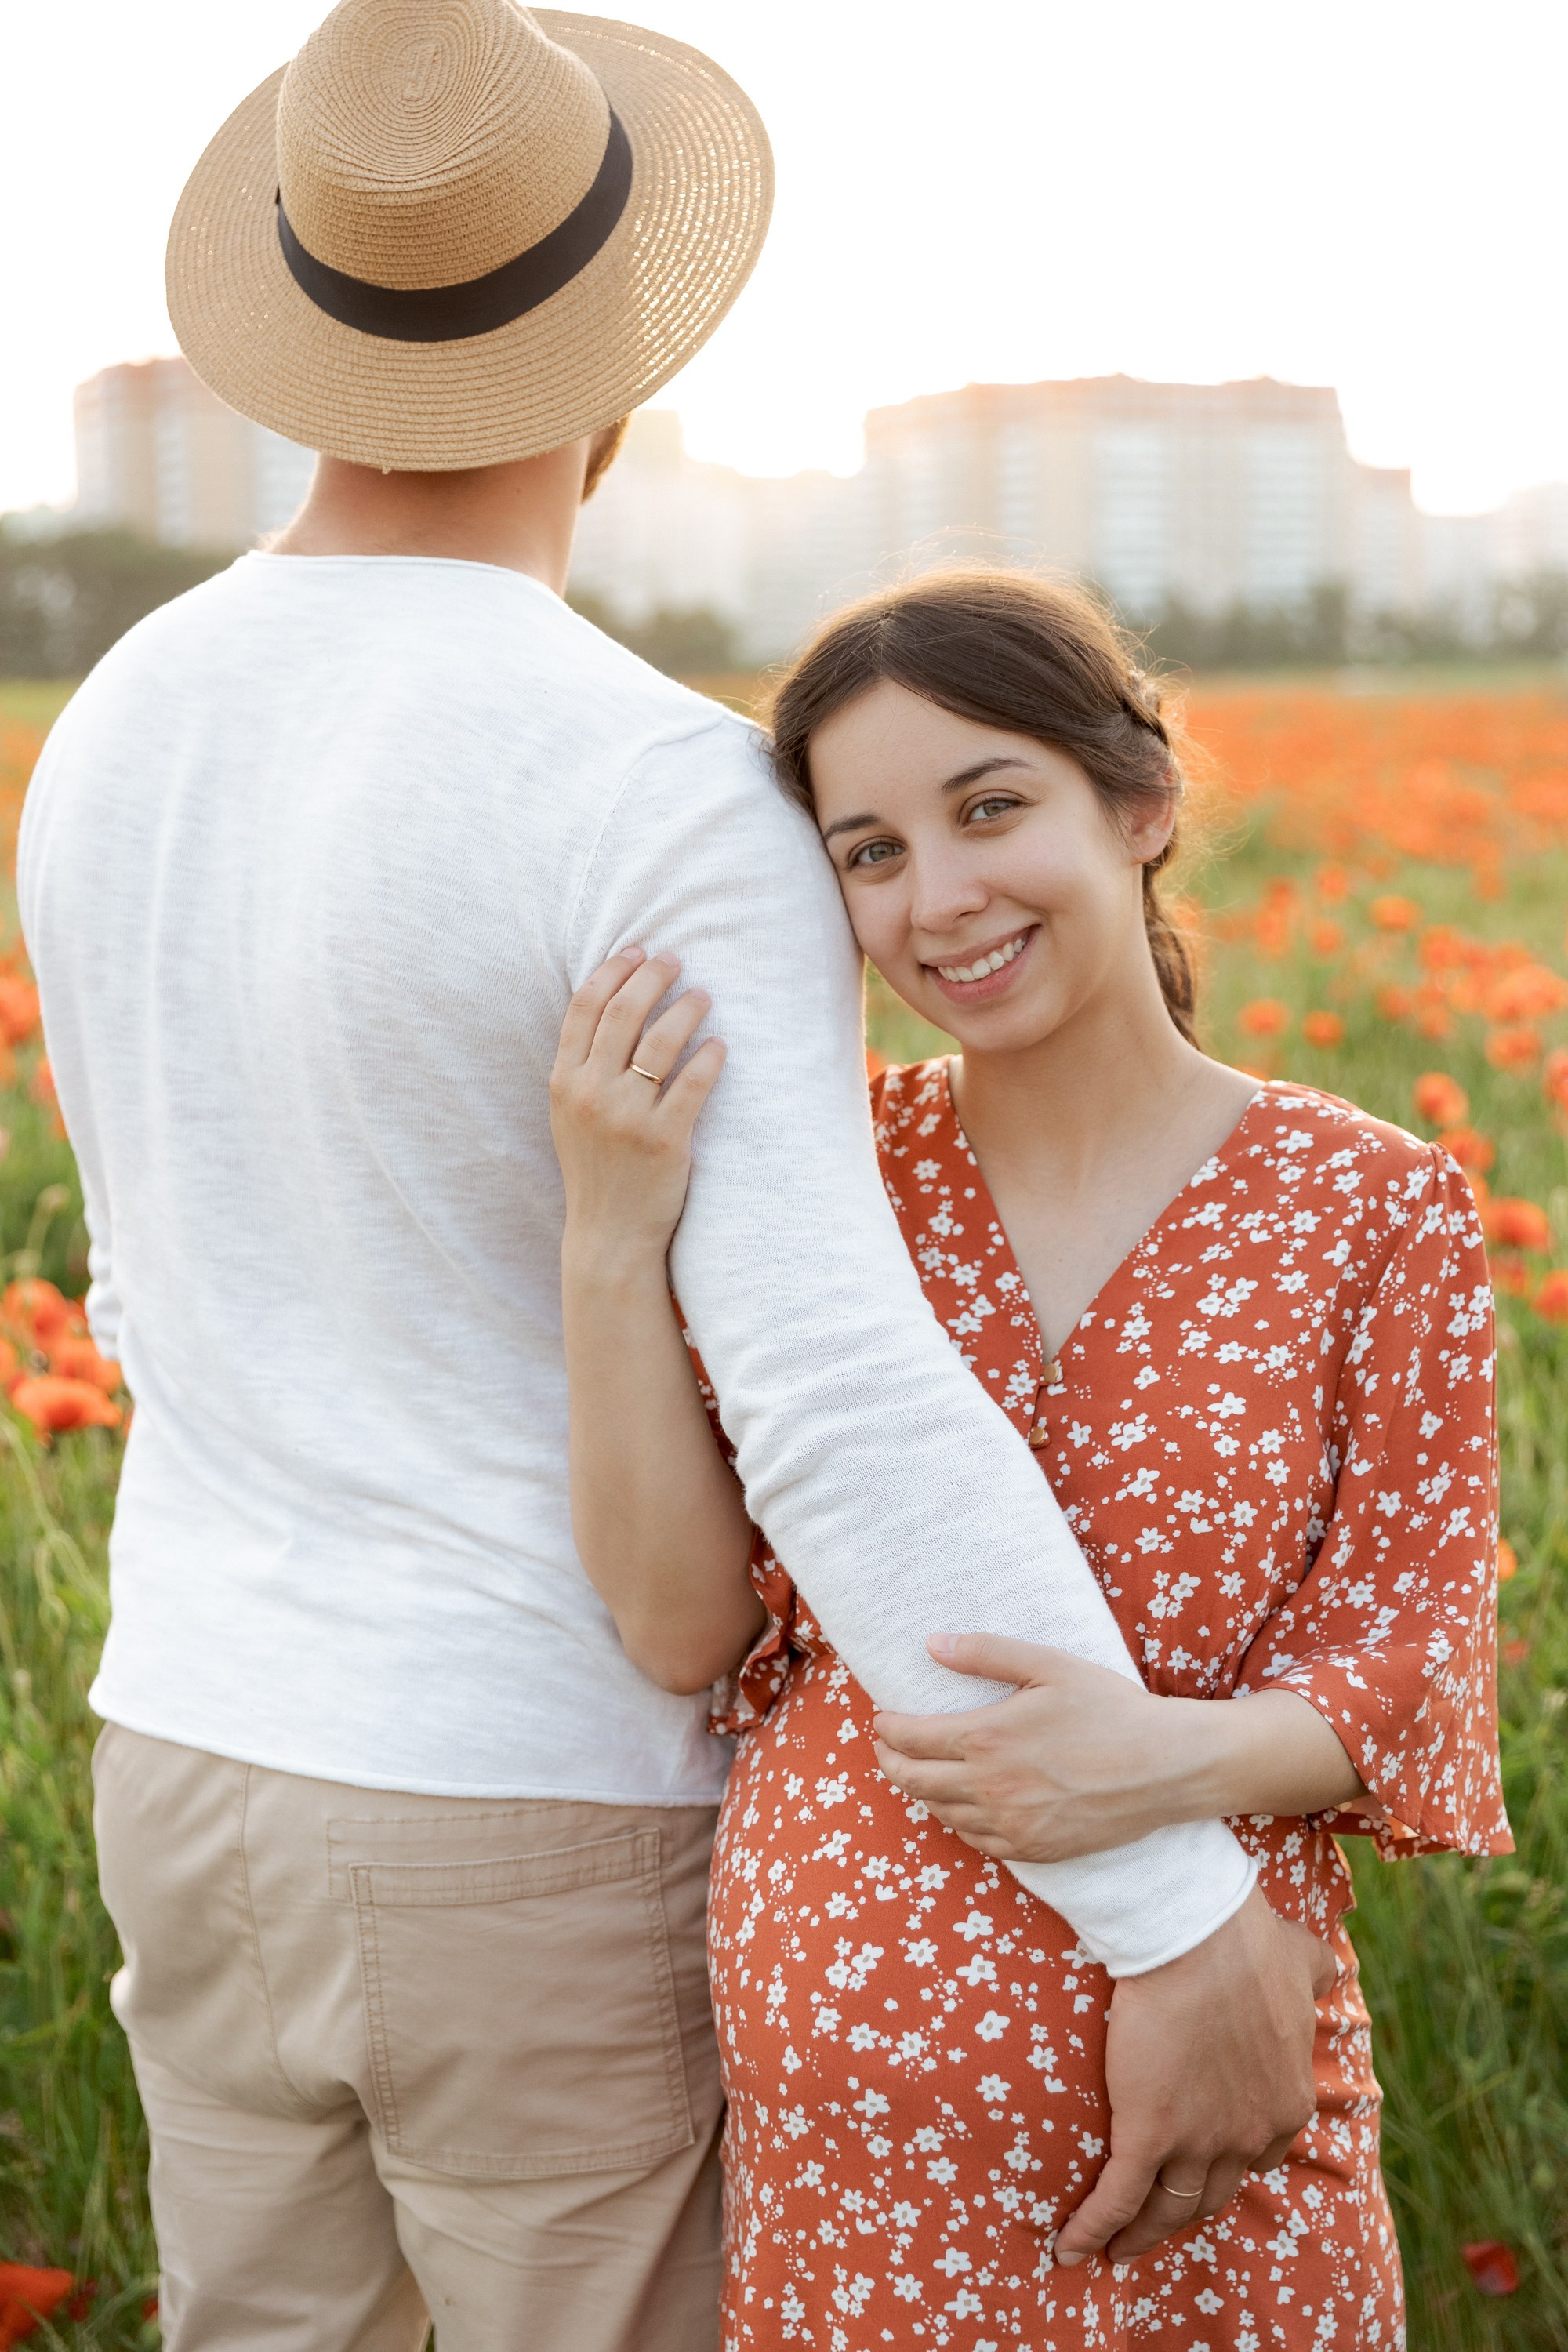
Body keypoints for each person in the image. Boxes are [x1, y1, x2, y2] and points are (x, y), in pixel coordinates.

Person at [21, 2, 1330, 2339]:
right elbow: (832, 1387)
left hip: (190, 1757)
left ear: (307, 338)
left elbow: (149, 1282)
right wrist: (1169, 1904)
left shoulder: (112, 727)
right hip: (519, 1811)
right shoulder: (645, 784)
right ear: (625, 356)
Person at [550, 569, 1510, 2350]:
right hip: (852, 2135)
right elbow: (682, 1629)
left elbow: (1415, 1660)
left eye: (988, 808)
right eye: (870, 853)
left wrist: (1154, 1767)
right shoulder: (817, 1184)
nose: (940, 899)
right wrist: (612, 1239)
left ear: (1137, 805)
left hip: (1229, 2081)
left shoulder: (1371, 1206)